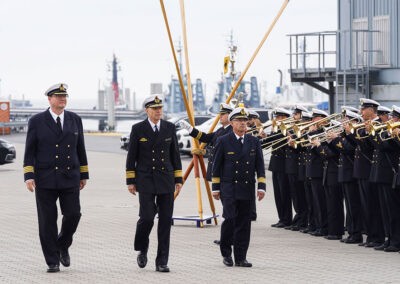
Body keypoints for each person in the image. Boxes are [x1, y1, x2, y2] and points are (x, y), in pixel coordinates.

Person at [23, 83, 89, 273]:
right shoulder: (37, 121)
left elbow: (80, 148)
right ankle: (52, 260)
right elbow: (30, 150)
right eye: (59, 96)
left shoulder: (74, 119)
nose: (63, 99)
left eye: (65, 96)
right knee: (47, 221)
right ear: (50, 99)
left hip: (70, 176)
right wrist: (29, 175)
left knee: (73, 214)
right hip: (45, 177)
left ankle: (62, 244)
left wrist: (83, 174)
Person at [126, 95, 183, 273]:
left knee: (165, 221)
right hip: (146, 180)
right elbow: (131, 156)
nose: (158, 111)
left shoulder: (169, 128)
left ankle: (162, 261)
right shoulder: (138, 129)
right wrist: (130, 181)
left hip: (166, 179)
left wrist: (178, 179)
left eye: (160, 108)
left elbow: (175, 155)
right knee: (147, 218)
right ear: (147, 110)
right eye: (154, 108)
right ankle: (142, 248)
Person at [212, 106, 266, 267]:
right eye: (239, 120)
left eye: (245, 120)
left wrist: (261, 186)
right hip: (228, 187)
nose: (243, 123)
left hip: (247, 187)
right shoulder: (223, 140)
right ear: (232, 122)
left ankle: (241, 257)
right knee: (230, 219)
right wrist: (215, 187)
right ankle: (226, 252)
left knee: (244, 222)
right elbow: (216, 165)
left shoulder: (254, 141)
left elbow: (260, 166)